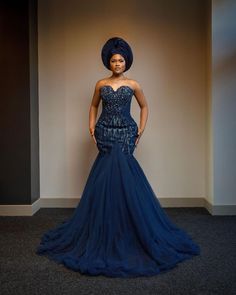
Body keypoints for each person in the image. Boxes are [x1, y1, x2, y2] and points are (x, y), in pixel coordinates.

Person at [36, 37, 200, 278]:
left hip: (126, 132)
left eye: (121, 60)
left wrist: (141, 130)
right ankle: (104, 230)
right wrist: (91, 127)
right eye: (113, 60)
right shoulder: (100, 83)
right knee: (105, 178)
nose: (117, 63)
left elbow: (145, 107)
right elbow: (93, 106)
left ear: (127, 62)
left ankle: (129, 229)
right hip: (104, 132)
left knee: (124, 176)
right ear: (108, 62)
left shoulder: (134, 84)